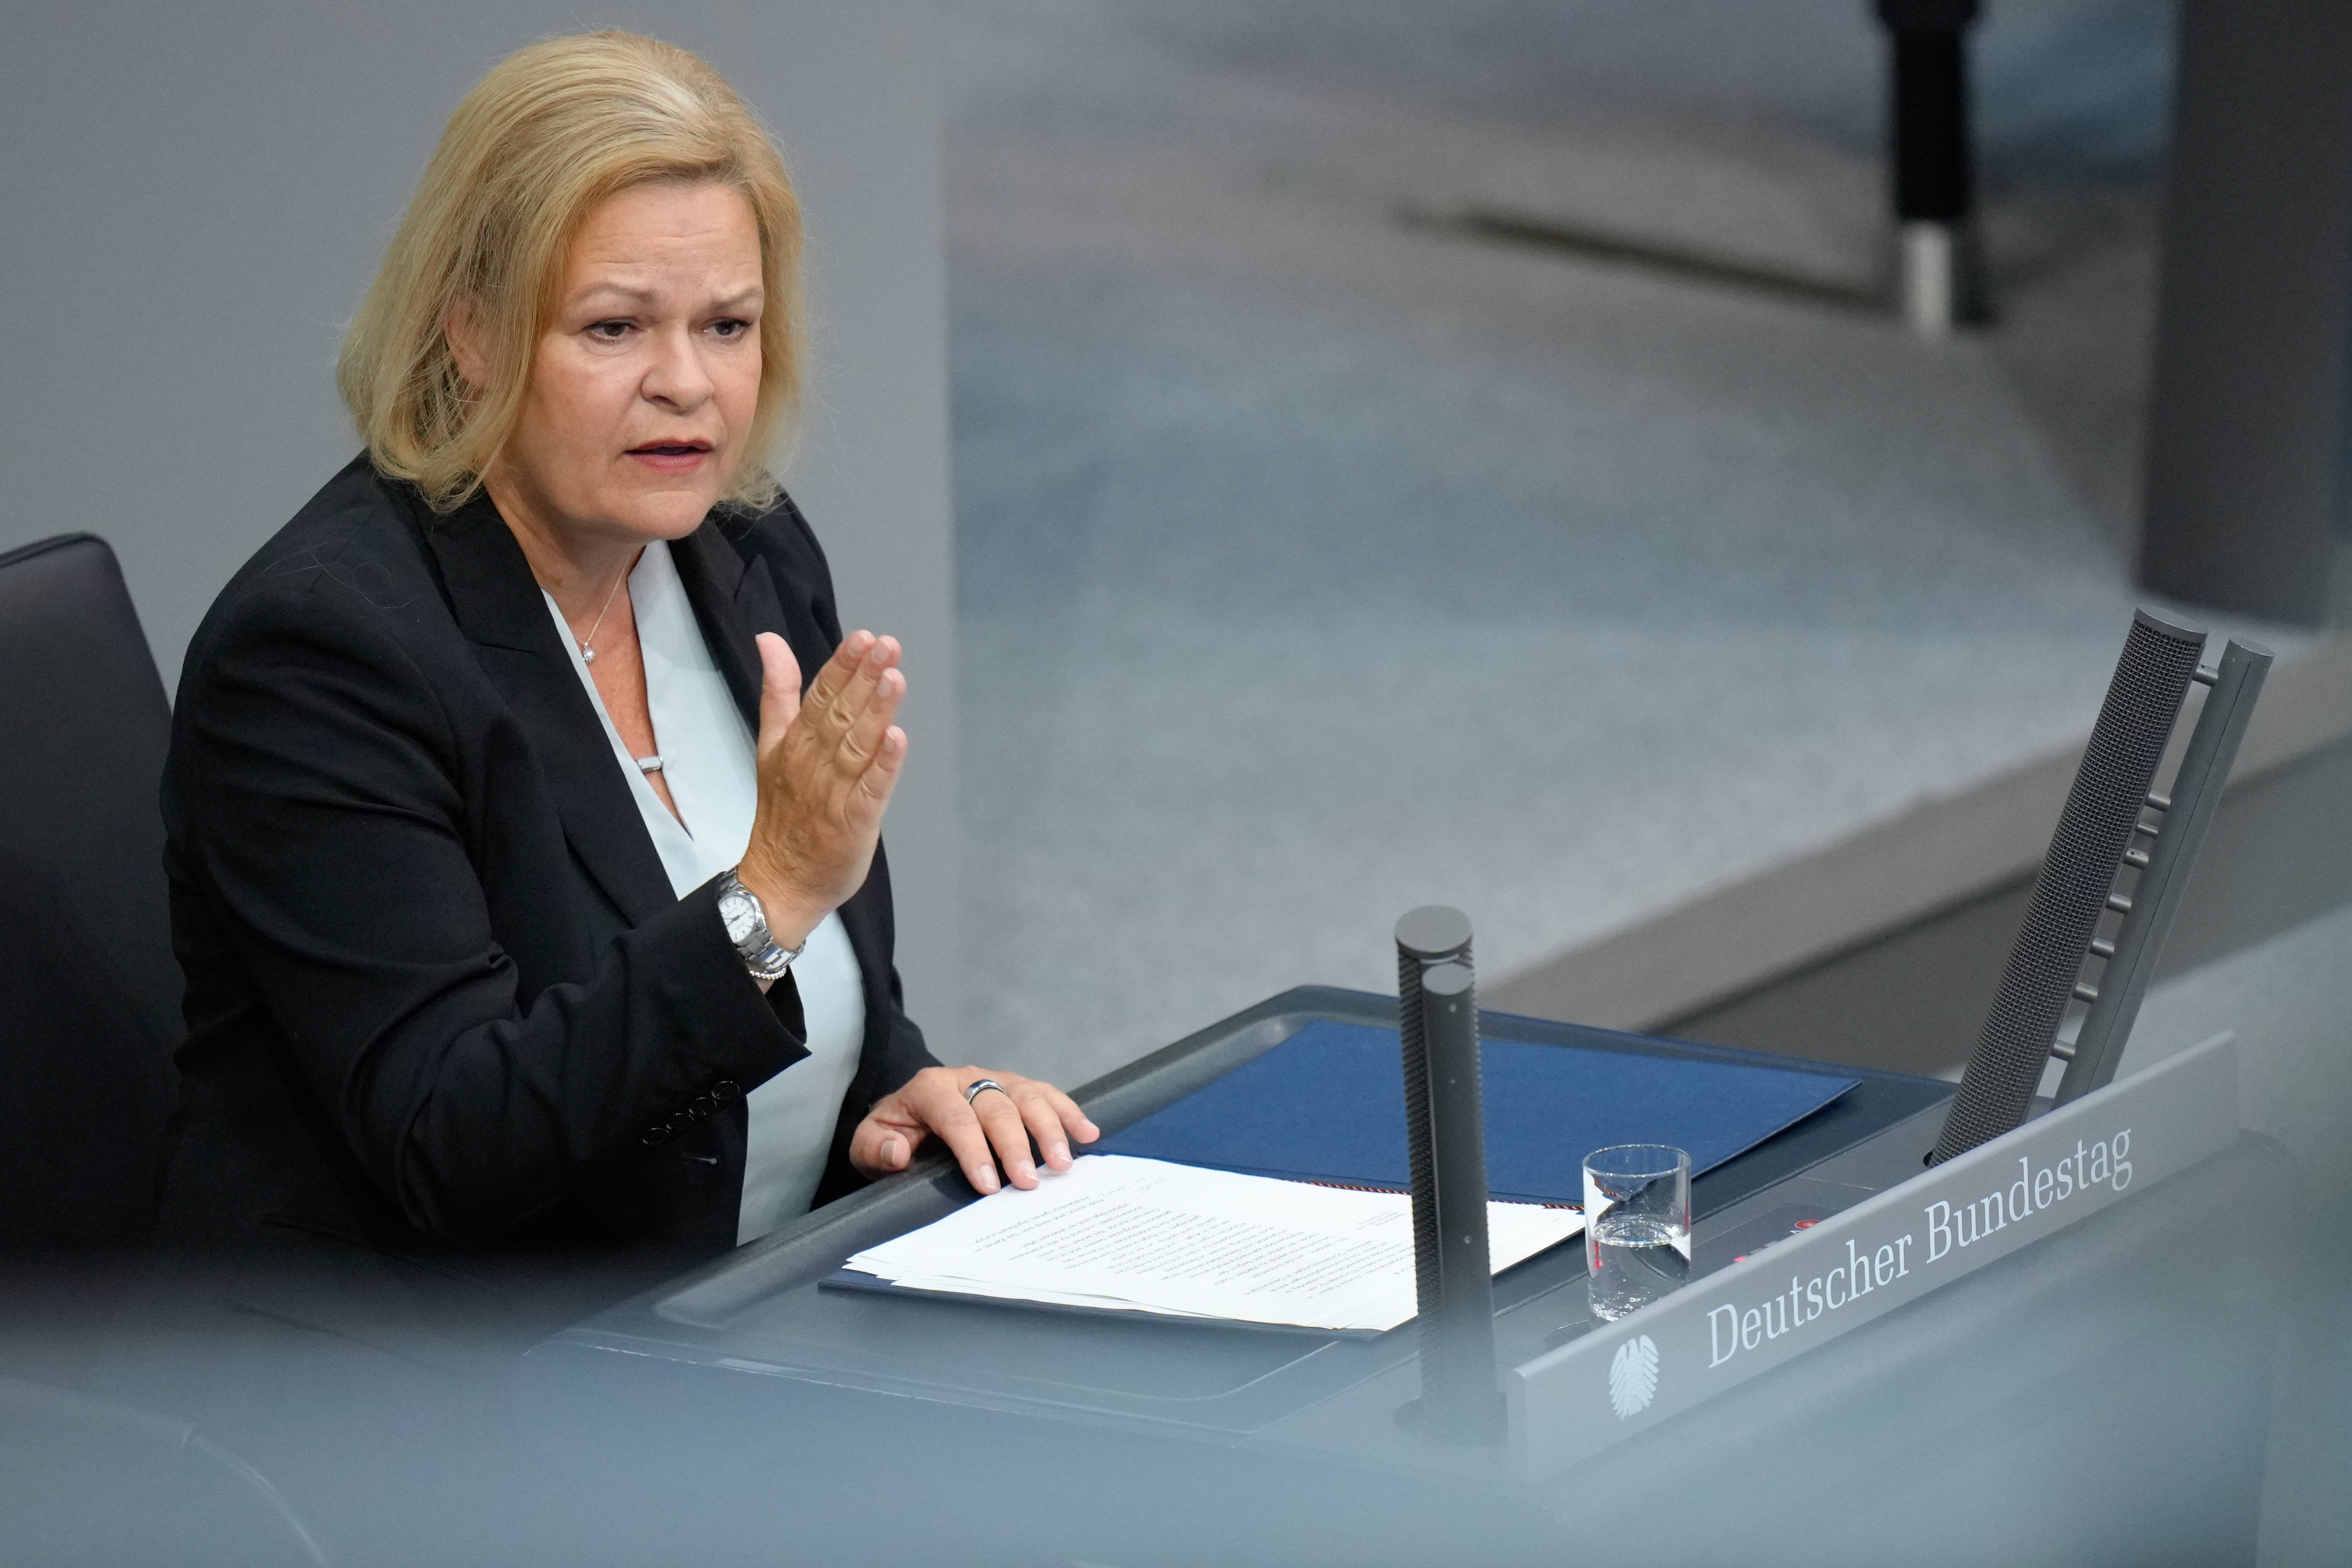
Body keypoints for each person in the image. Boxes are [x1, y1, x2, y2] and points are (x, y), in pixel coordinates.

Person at [151, 30, 1095, 1344]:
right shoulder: (322, 655)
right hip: (428, 1399)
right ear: (471, 333)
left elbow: (811, 987)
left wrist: (888, 1088)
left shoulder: (744, 551)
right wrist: (765, 899)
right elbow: (455, 1138)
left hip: (733, 1313)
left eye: (728, 325)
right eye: (614, 327)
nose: (687, 385)